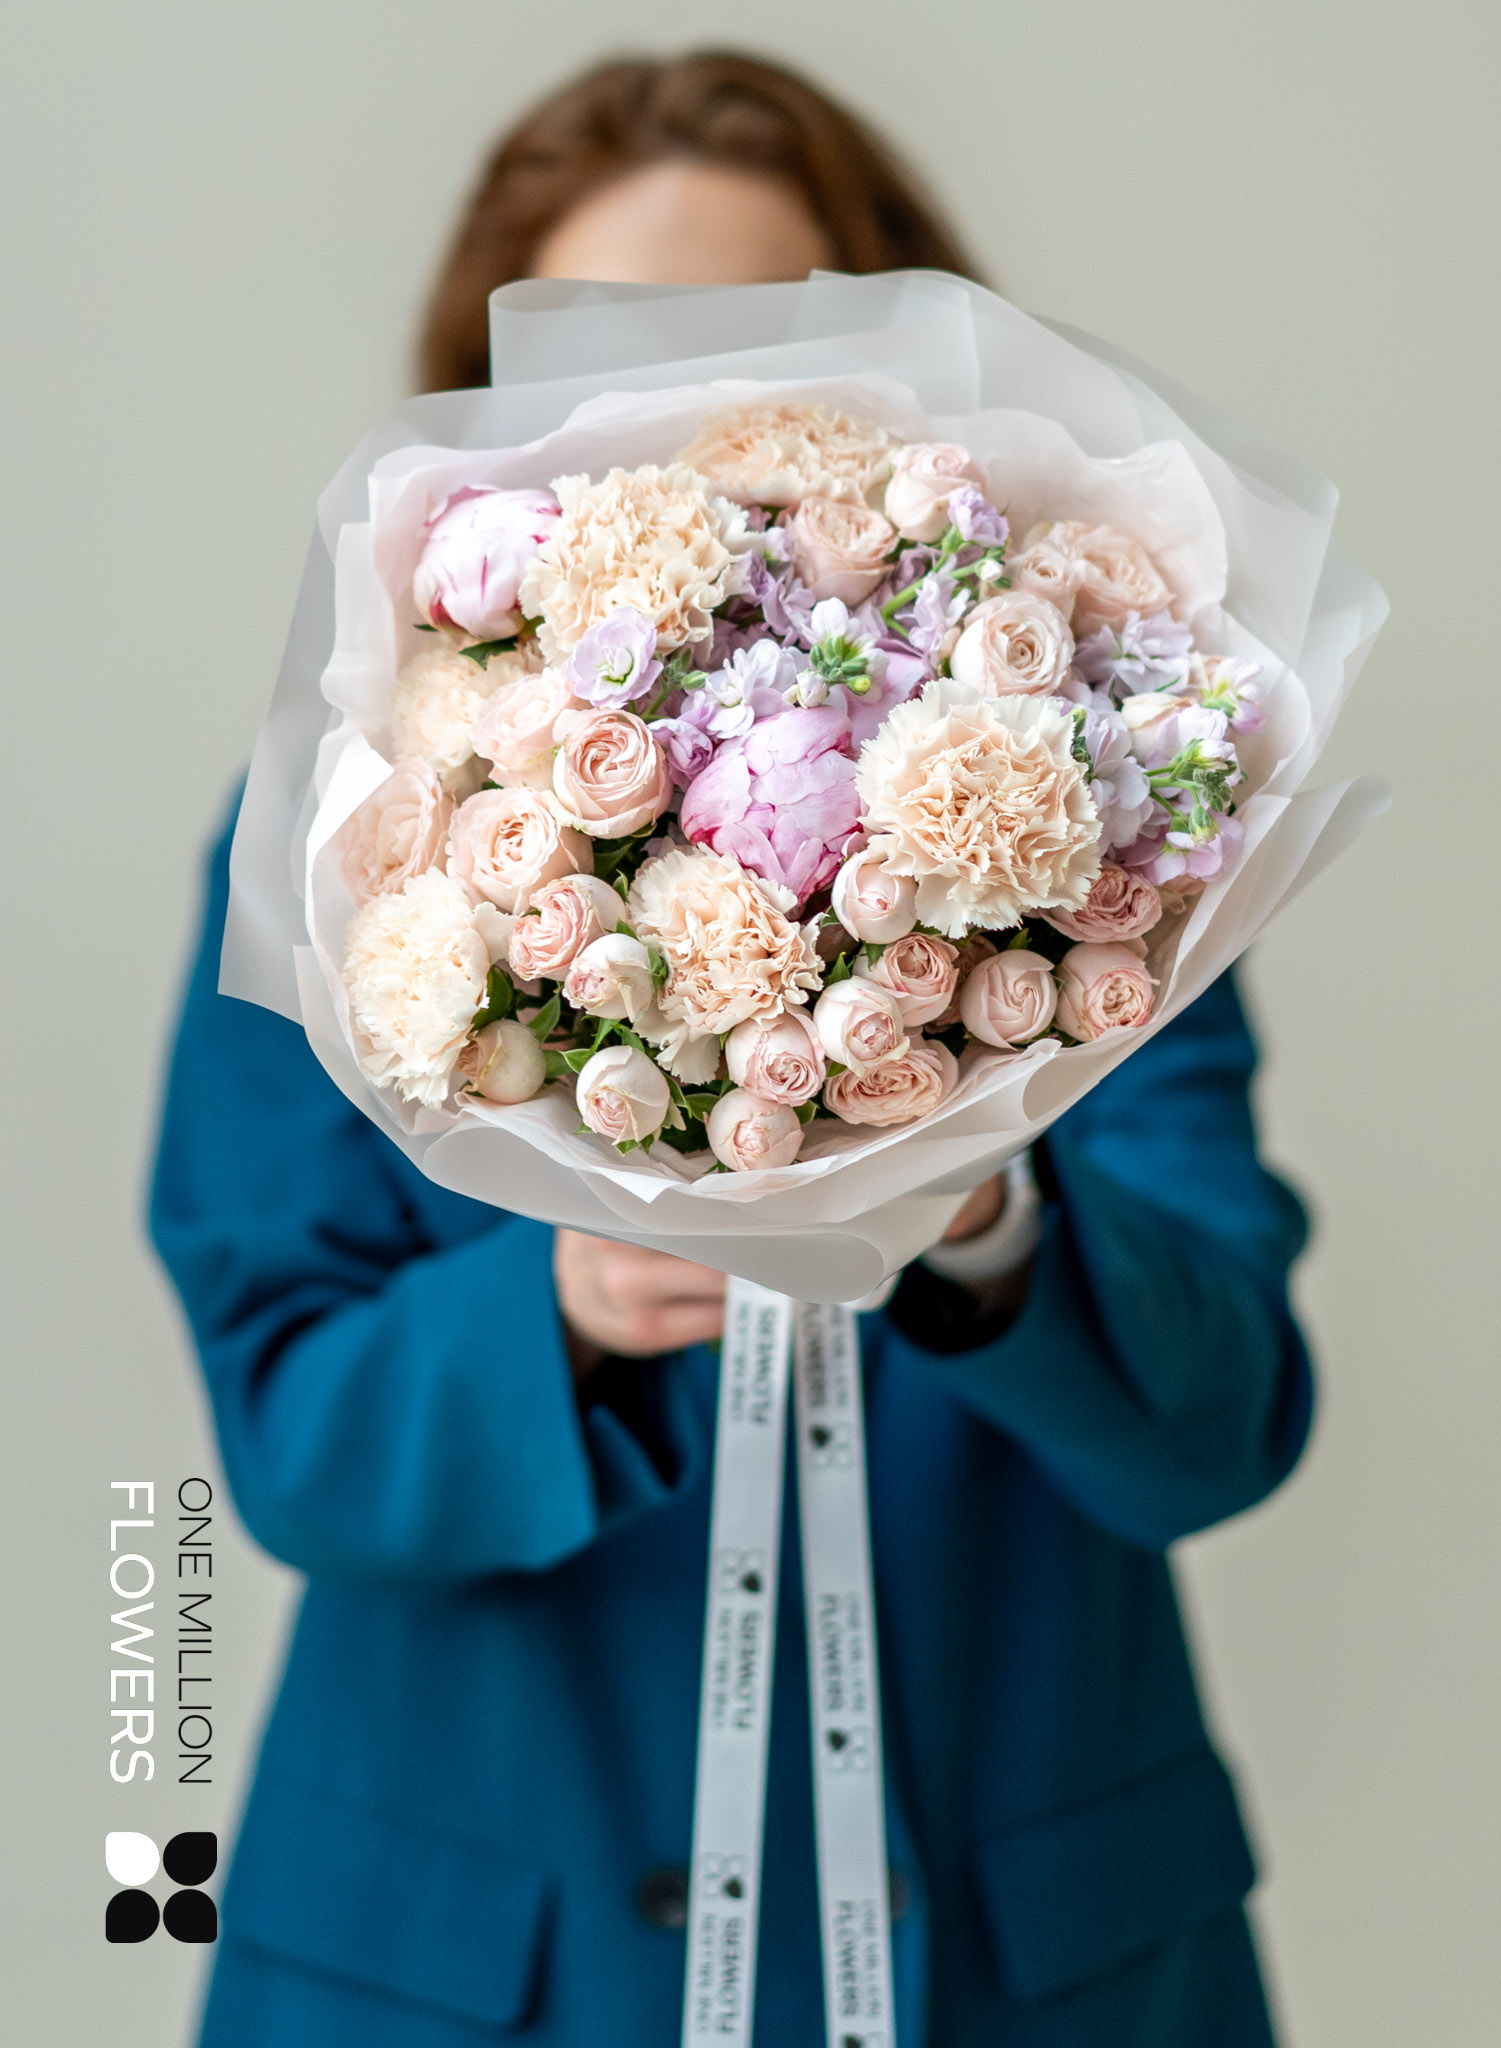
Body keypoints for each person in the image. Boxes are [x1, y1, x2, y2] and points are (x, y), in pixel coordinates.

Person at [151, 50, 1312, 2048]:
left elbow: (1224, 1421)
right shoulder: (340, 841)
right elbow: (289, 1433)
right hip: (471, 1962)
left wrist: (981, 1228)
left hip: (1026, 1956)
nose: (695, 429)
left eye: (763, 348)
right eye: (614, 358)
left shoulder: (1106, 850)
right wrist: (570, 1306)